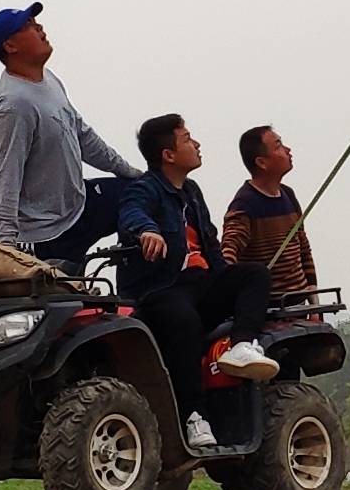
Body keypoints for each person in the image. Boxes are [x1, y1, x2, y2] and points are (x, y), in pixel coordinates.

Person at [112, 113, 275, 450]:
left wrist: (226, 277)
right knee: (182, 320)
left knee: (255, 275)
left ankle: (242, 346)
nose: (196, 143)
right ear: (168, 155)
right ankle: (194, 417)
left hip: (201, 285)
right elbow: (131, 215)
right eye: (187, 138)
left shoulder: (192, 192)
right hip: (162, 290)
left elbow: (210, 244)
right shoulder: (144, 189)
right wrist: (147, 231)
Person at [0, 3, 133, 274]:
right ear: (10, 46)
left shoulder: (48, 80)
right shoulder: (13, 105)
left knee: (144, 194)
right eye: (28, 25)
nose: (39, 27)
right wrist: (6, 247)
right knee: (70, 304)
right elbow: (7, 175)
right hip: (48, 234)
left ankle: (141, 294)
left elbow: (83, 136)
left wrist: (131, 173)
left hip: (79, 204)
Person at [221, 125, 318, 301]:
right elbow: (229, 251)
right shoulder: (244, 205)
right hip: (268, 308)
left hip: (299, 305)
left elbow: (303, 249)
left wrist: (314, 304)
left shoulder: (288, 194)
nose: (288, 150)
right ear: (261, 162)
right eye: (278, 145)